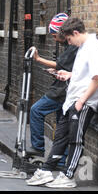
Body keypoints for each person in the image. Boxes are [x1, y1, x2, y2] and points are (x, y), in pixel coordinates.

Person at [26, 17, 98, 188]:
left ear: (76, 33)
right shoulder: (82, 47)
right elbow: (84, 73)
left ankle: (68, 176)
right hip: (70, 101)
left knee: (75, 140)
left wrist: (81, 101)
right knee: (60, 137)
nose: (69, 42)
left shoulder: (94, 48)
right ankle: (46, 171)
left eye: (69, 39)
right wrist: (68, 75)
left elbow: (97, 77)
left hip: (82, 103)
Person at [27, 13, 78, 167]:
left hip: (62, 91)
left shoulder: (73, 47)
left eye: (55, 35)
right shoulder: (70, 46)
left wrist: (38, 59)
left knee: (36, 110)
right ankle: (61, 160)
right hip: (65, 89)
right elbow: (65, 67)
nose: (53, 38)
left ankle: (38, 148)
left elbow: (59, 65)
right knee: (61, 124)